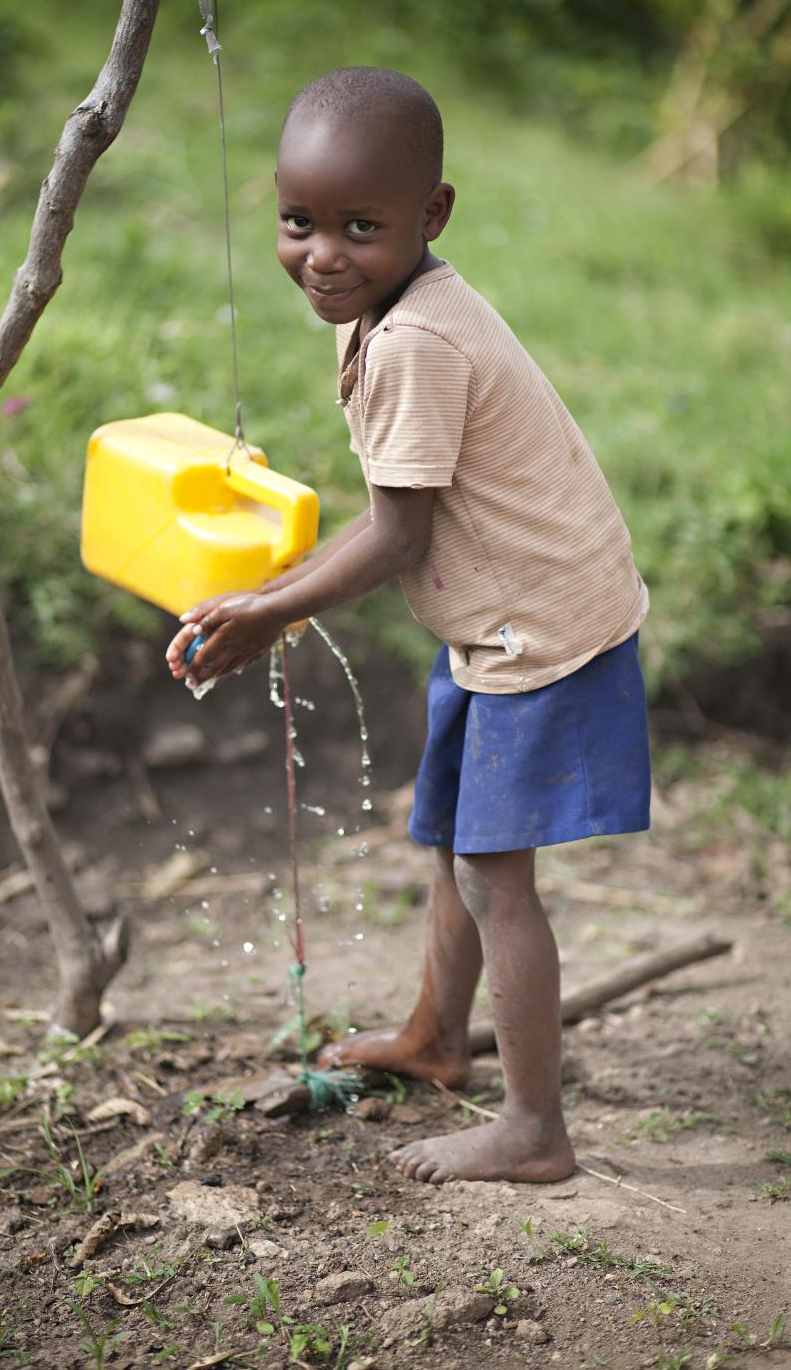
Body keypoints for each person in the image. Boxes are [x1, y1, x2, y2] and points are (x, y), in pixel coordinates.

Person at [166, 67, 651, 1185]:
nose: (322, 254)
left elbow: (395, 538)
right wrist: (275, 586)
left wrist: (268, 610)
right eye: (299, 223)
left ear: (431, 217)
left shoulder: (414, 344)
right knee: (453, 840)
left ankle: (536, 1131)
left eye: (361, 226)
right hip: (492, 624)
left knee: (493, 873)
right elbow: (398, 517)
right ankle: (436, 1040)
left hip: (539, 631)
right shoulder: (397, 307)